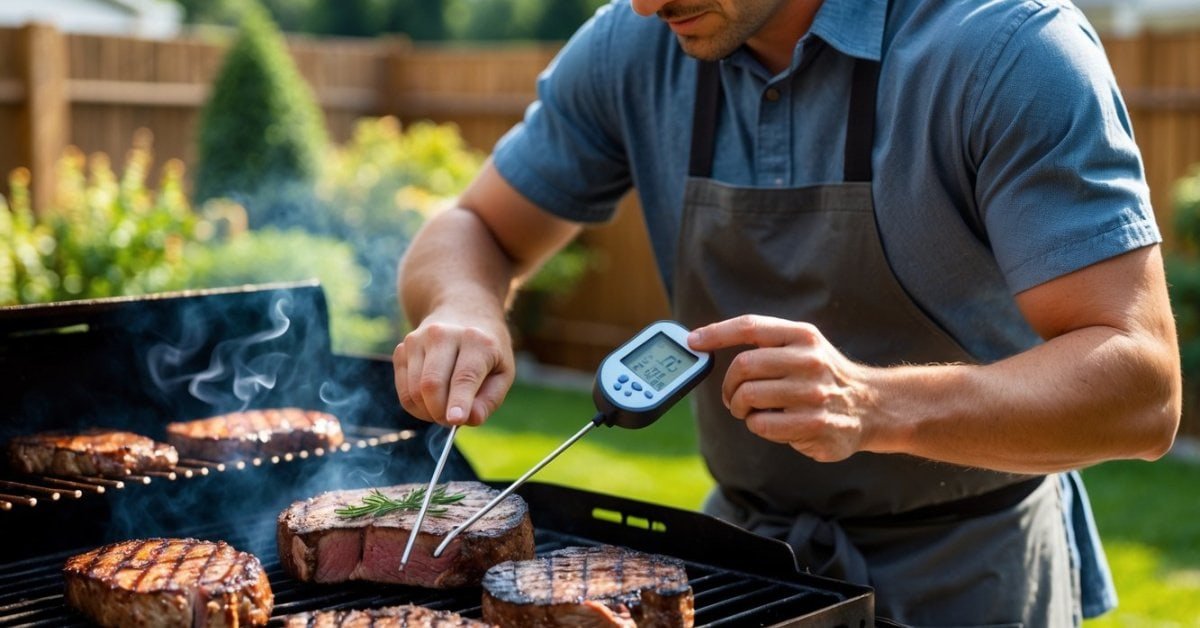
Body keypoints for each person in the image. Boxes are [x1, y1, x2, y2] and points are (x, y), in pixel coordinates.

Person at [392, 0, 1181, 624]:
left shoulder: (1009, 49)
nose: (644, 6)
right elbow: (473, 226)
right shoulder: (633, 47)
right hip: (747, 567)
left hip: (971, 580)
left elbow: (1142, 388)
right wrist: (465, 305)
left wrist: (877, 405)